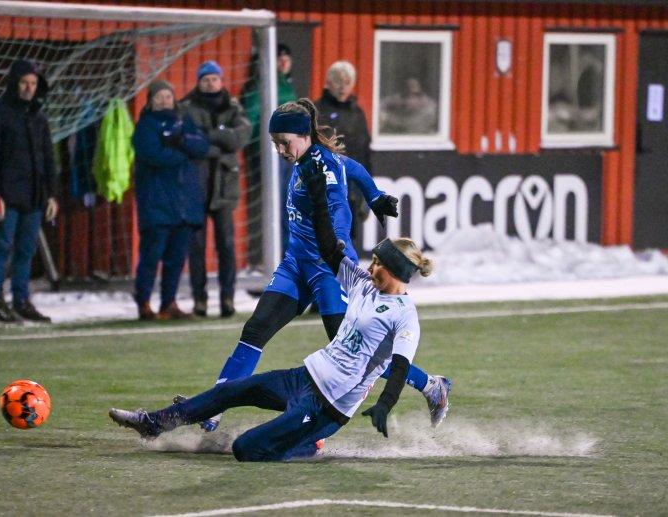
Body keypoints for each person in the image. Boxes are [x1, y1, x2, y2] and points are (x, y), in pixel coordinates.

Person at [109, 158, 436, 462]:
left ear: (395, 272)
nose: (371, 265)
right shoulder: (363, 283)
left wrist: (385, 403)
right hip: (302, 378)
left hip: (326, 407)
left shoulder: (404, 315)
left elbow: (399, 365)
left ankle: (307, 443)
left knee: (244, 449)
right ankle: (155, 423)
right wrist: (319, 199)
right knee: (229, 392)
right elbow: (327, 247)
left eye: (378, 263)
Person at [190, 99, 450, 432]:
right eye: (275, 143)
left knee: (353, 350)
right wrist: (373, 195)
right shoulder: (309, 159)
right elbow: (351, 167)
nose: (281, 149)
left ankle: (431, 386)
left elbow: (335, 196)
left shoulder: (321, 168)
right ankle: (213, 409)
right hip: (295, 266)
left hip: (328, 272)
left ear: (303, 136)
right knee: (255, 330)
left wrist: (343, 233)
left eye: (285, 142)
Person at [0, 59, 58, 324]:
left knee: (26, 250)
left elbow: (48, 159)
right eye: (25, 82)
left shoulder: (39, 117)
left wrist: (52, 195)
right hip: (7, 195)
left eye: (33, 83)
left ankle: (21, 300)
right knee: (2, 247)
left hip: (34, 196)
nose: (29, 88)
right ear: (14, 82)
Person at [132, 80, 209, 321]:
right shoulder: (145, 125)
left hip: (184, 206)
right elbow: (153, 154)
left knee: (176, 259)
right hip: (157, 204)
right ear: (151, 100)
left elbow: (202, 145)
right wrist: (184, 153)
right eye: (159, 96)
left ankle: (169, 303)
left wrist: (182, 142)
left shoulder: (183, 121)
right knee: (151, 256)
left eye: (168, 95)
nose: (164, 100)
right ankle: (144, 302)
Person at [179, 61, 251, 318]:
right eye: (206, 79)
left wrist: (208, 136)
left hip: (224, 186)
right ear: (199, 81)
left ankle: (227, 298)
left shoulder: (233, 106)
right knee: (196, 247)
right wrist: (220, 141)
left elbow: (240, 137)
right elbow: (187, 141)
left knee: (226, 246)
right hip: (195, 187)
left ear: (221, 81)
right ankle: (199, 299)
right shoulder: (186, 107)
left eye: (214, 79)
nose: (210, 83)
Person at [241, 43, 298, 269]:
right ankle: (265, 263)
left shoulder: (287, 86)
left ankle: (285, 260)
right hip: (268, 157)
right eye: (278, 57)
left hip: (289, 157)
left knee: (288, 210)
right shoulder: (259, 85)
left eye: (287, 56)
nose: (283, 61)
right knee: (270, 213)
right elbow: (252, 118)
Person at [315, 61, 373, 240]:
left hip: (351, 190)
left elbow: (364, 153)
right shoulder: (317, 110)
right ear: (328, 83)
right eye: (338, 81)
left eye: (347, 82)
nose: (342, 87)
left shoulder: (357, 113)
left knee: (346, 243)